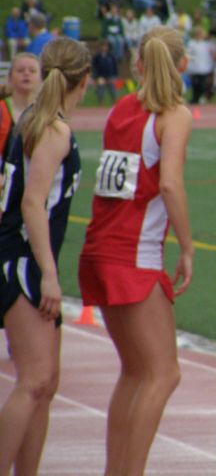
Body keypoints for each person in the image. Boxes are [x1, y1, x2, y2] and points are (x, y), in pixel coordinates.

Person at [78, 26, 194, 475]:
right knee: (164, 373)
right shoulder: (174, 115)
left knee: (134, 371)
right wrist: (186, 248)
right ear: (183, 64)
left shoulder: (121, 108)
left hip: (99, 247)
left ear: (138, 64)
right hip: (134, 253)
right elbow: (168, 182)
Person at [0, 38, 90, 475]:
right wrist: (49, 276)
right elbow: (33, 204)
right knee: (34, 379)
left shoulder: (35, 120)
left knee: (46, 383)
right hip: (21, 257)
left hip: (26, 255)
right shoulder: (53, 129)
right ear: (84, 81)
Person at [0, 53, 42, 183]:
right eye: (20, 70)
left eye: (32, 71)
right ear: (10, 77)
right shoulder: (2, 109)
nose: (26, 74)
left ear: (41, 78)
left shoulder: (44, 112)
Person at [186, 26, 216, 104]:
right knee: (195, 85)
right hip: (195, 68)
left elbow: (210, 55)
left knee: (203, 85)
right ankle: (195, 99)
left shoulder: (206, 44)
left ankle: (201, 98)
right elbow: (188, 55)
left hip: (204, 68)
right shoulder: (191, 43)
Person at [91, 40, 119, 105]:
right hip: (100, 76)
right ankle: (101, 104)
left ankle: (115, 104)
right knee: (100, 91)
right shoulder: (97, 57)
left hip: (110, 76)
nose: (104, 48)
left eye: (106, 46)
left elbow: (114, 66)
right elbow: (94, 66)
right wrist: (95, 76)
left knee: (113, 91)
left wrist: (115, 75)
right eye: (103, 46)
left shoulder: (111, 56)